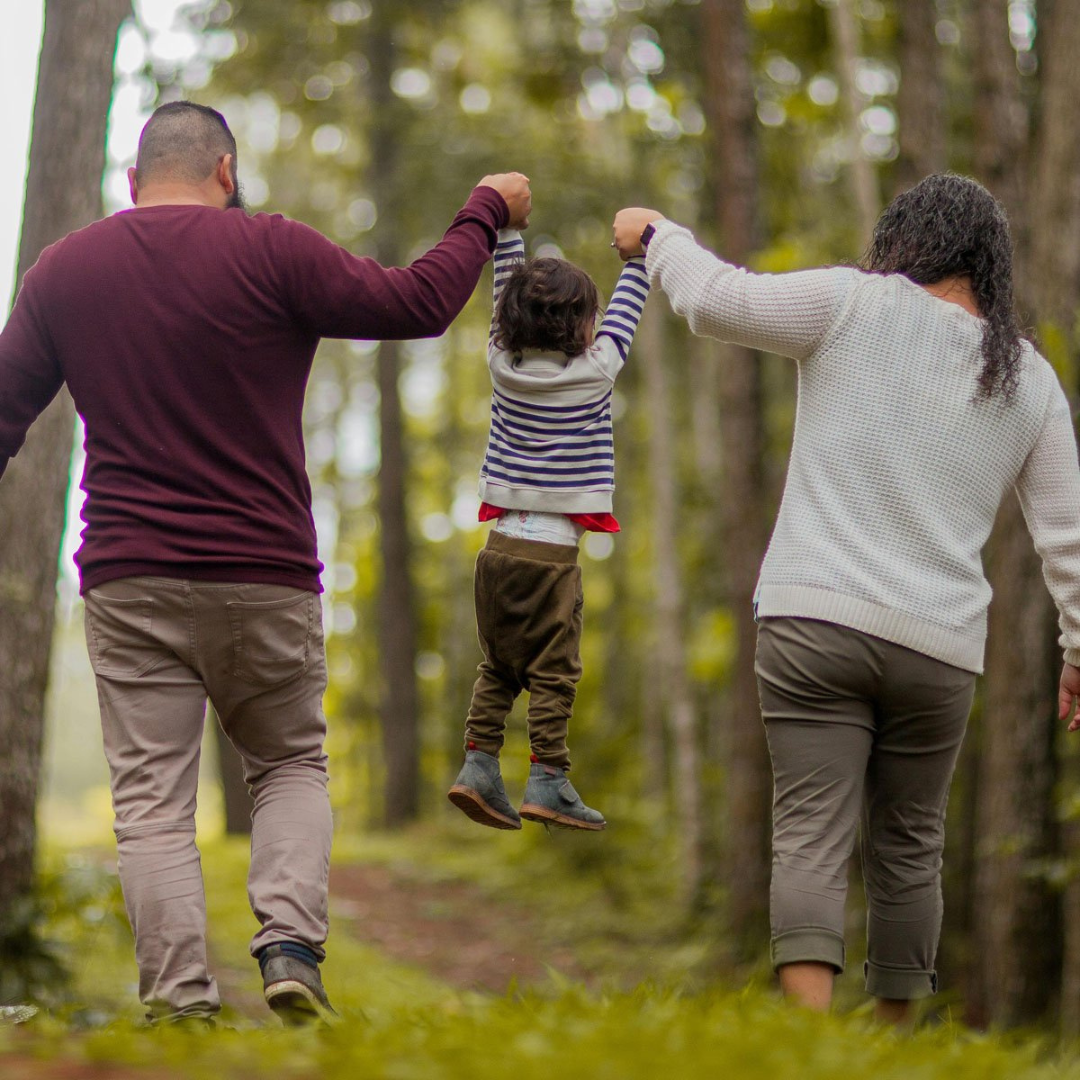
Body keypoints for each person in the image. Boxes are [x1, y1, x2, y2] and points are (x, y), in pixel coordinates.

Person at [0, 100, 531, 1026]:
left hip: (130, 576)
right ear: (226, 172)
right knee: (288, 762)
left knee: (152, 804)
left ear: (134, 183)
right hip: (265, 571)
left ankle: (179, 1004)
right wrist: (484, 207)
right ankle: (289, 947)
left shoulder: (65, 271)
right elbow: (418, 303)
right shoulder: (272, 249)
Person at [612, 174, 1080, 1022]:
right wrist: (1078, 652)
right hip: (938, 649)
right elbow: (1068, 539)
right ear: (991, 266)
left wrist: (655, 236)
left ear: (904, 240)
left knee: (811, 836)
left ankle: (810, 1048)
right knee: (910, 852)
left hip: (814, 623)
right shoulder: (1031, 382)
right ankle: (893, 1049)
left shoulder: (849, 304)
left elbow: (715, 300)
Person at [446, 227, 649, 831]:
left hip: (498, 550)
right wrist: (638, 257)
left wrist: (507, 232)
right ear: (582, 327)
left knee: (499, 666)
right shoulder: (596, 372)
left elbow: (499, 294)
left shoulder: (499, 365)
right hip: (551, 557)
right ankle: (548, 778)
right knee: (553, 673)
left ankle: (478, 764)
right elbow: (629, 309)